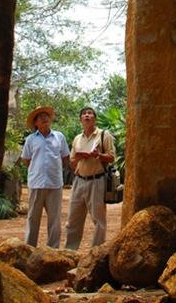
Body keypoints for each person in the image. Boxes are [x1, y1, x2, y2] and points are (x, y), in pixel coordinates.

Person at [65, 106, 115, 250]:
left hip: (97, 180)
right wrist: (79, 158)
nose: (87, 115)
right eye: (84, 114)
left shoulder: (104, 135)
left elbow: (112, 157)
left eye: (90, 113)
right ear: (80, 120)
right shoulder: (77, 139)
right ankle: (70, 252)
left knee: (98, 220)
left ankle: (96, 252)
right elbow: (72, 161)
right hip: (79, 181)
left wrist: (99, 155)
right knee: (73, 220)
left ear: (95, 118)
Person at [21, 105, 70, 248]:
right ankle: (29, 249)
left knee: (55, 219)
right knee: (32, 218)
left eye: (46, 116)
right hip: (36, 184)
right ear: (35, 123)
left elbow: (65, 157)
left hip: (55, 184)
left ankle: (53, 251)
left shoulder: (59, 137)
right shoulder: (30, 139)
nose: (44, 118)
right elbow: (27, 160)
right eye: (40, 117)